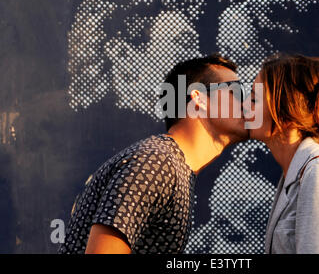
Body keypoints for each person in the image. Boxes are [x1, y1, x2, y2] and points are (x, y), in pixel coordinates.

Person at [58, 54, 249, 254]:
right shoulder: (157, 163)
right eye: (236, 92)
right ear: (199, 99)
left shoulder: (173, 166)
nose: (246, 103)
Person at [243, 52, 319, 253]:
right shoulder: (298, 171)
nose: (244, 105)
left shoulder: (318, 172)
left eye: (255, 99)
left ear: (286, 115)